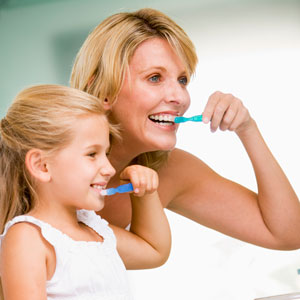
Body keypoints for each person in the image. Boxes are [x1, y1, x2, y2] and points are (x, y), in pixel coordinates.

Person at [70, 7, 300, 250]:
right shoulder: (50, 160)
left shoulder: (168, 170)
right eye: (155, 78)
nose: (179, 97)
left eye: (182, 80)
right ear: (104, 91)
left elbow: (288, 234)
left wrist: (247, 128)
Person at [0, 84, 171, 300]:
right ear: (42, 166)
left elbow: (154, 250)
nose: (109, 169)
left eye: (106, 153)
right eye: (92, 154)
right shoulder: (28, 237)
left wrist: (146, 194)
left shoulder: (95, 230)